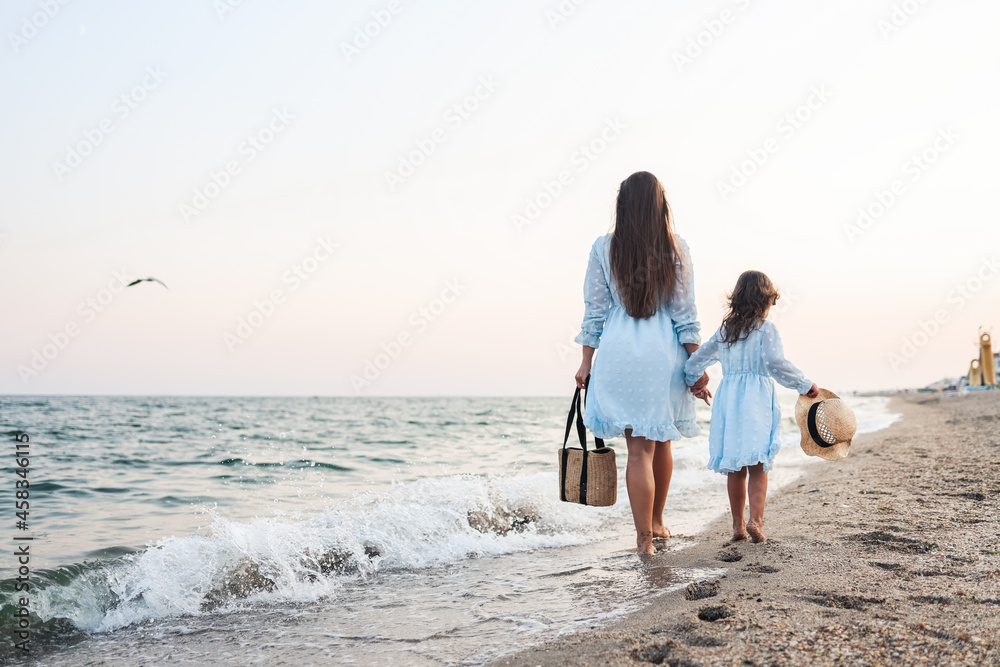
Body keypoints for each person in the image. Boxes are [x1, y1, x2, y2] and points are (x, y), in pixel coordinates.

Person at [574, 171, 709, 554]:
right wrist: (696, 366)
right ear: (659, 206)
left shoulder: (603, 248)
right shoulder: (675, 247)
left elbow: (594, 313)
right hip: (660, 356)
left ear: (624, 206)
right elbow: (686, 316)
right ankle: (657, 522)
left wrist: (586, 362)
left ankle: (643, 539)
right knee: (661, 440)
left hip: (618, 355)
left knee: (639, 451)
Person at [683, 270, 819, 544]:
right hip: (756, 399)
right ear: (763, 301)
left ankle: (737, 526)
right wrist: (804, 384)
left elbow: (695, 361)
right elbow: (774, 363)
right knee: (758, 464)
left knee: (735, 467)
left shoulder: (725, 330)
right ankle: (755, 521)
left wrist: (694, 383)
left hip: (729, 399)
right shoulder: (766, 329)